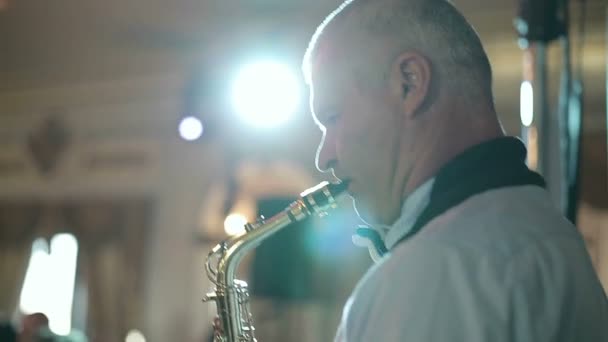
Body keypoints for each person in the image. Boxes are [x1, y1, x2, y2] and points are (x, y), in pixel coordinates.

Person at [301, 0, 608, 341]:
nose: (323, 157)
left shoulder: (433, 271)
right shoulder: (556, 237)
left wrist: (399, 278)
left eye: (332, 117)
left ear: (409, 82)